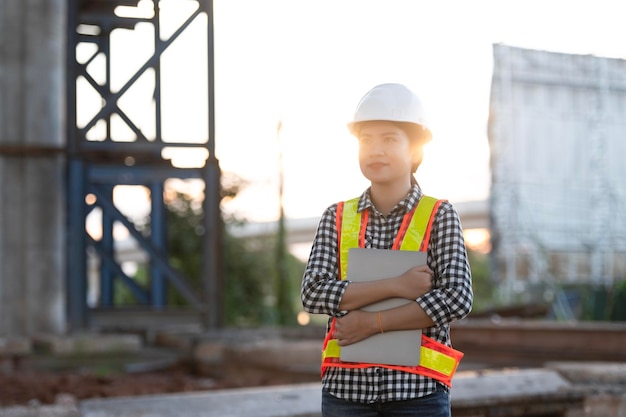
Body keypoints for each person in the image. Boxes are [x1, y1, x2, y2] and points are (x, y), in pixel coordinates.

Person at [300, 83, 473, 417]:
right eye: (366, 140)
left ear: (416, 150)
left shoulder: (439, 215)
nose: (375, 150)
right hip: (345, 393)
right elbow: (313, 293)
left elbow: (457, 297)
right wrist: (396, 286)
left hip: (418, 393)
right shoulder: (336, 217)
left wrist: (373, 322)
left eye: (390, 139)